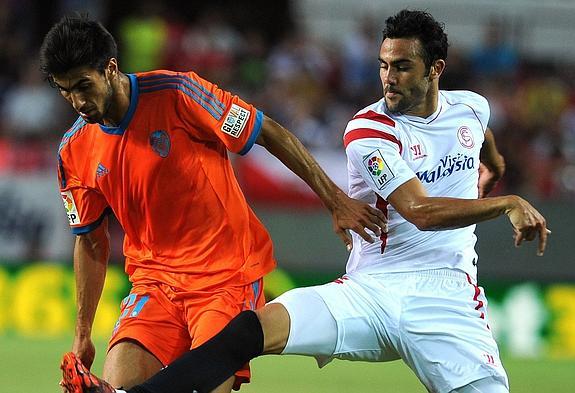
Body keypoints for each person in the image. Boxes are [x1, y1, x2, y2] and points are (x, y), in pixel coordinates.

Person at [60, 9, 551, 393]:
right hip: (370, 290)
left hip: (447, 296)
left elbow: (475, 127)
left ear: (435, 70)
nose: (388, 78)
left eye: (402, 67)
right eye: (383, 66)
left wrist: (493, 162)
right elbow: (420, 213)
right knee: (258, 328)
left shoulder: (469, 106)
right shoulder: (368, 131)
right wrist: (505, 201)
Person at [41, 15, 386, 393]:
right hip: (153, 284)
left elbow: (267, 131)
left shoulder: (179, 93)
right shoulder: (73, 150)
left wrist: (334, 200)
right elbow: (90, 240)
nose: (78, 101)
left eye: (83, 86)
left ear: (110, 68)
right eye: (65, 91)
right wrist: (83, 333)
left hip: (225, 275)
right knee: (119, 385)